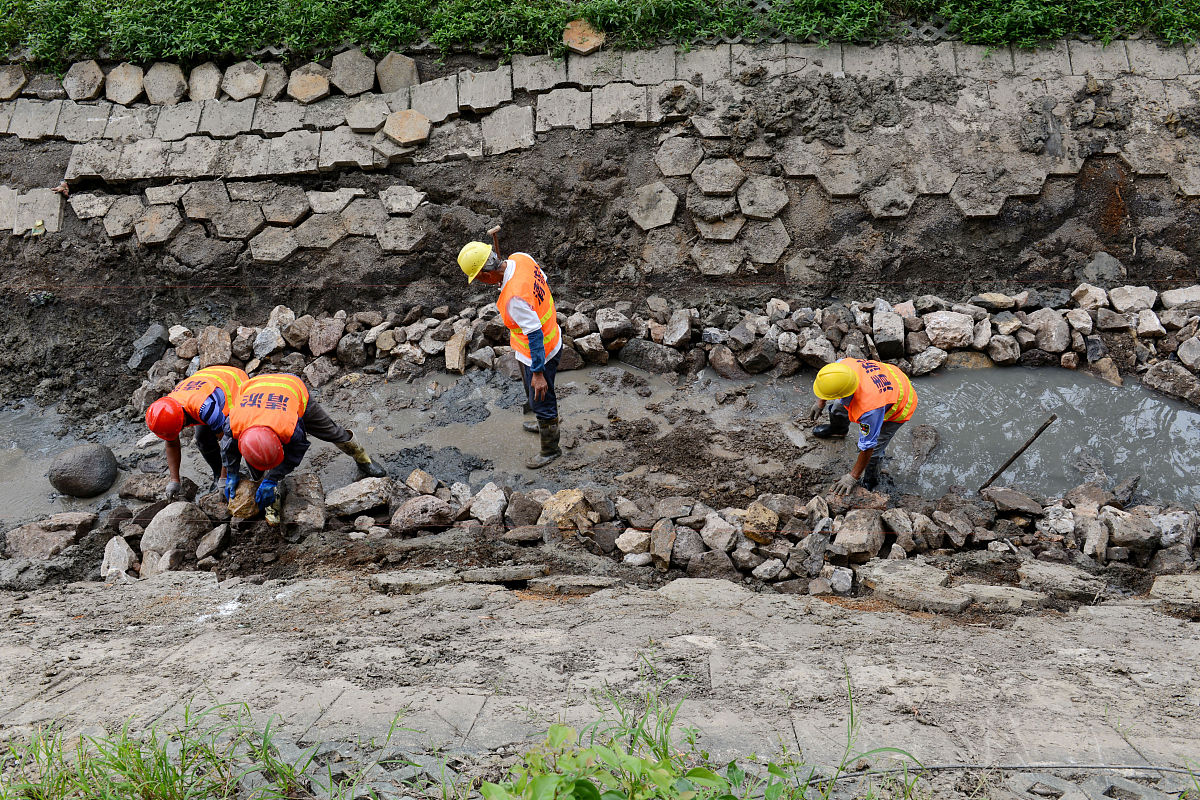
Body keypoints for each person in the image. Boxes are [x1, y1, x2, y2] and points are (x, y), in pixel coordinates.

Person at [221, 373, 386, 521]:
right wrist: (231, 473)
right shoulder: (234, 423)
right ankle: (267, 491)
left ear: (279, 440)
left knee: (332, 432)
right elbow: (228, 447)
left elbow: (297, 450)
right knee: (256, 462)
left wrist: (272, 478)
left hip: (291, 389)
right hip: (255, 389)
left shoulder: (289, 427)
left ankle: (363, 458)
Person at [457, 239, 563, 469]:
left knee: (541, 396)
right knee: (536, 396)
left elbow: (534, 332)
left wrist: (538, 372)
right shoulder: (521, 257)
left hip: (539, 351)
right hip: (551, 336)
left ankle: (550, 448)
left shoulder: (514, 297)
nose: (481, 283)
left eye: (479, 279)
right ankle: (543, 420)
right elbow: (542, 282)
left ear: (485, 275)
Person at [805, 358, 918, 495]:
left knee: (875, 450)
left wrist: (852, 476)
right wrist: (820, 402)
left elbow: (868, 446)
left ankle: (871, 480)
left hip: (900, 402)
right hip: (886, 378)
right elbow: (828, 386)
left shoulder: (869, 409)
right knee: (837, 408)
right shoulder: (840, 367)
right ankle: (839, 430)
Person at [145, 366, 249, 500]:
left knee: (236, 434)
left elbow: (226, 442)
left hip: (235, 383)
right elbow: (171, 444)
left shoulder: (205, 408)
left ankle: (232, 475)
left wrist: (225, 478)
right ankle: (217, 474)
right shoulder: (168, 409)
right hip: (208, 379)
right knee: (202, 439)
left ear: (182, 421)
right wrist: (174, 480)